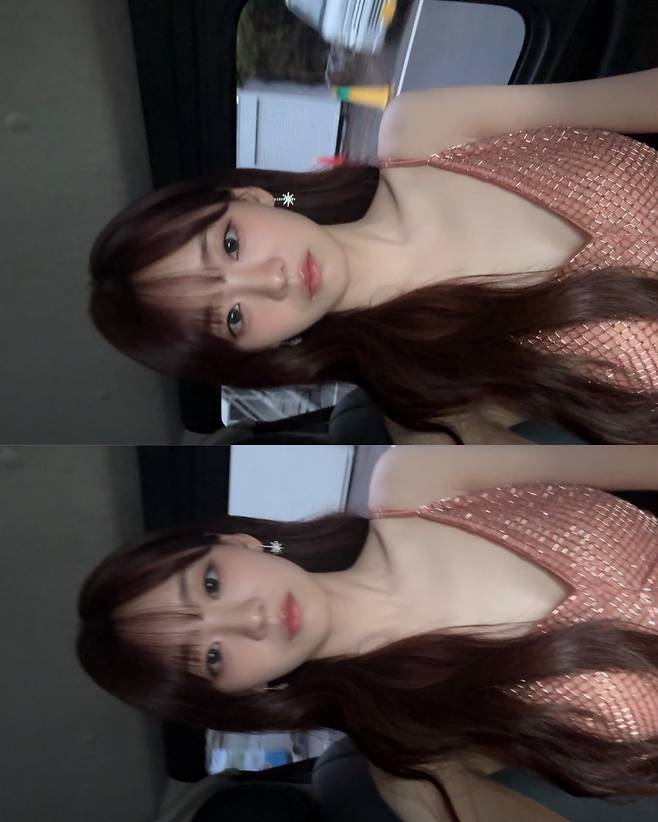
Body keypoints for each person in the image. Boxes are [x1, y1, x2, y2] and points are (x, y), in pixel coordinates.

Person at [77, 446, 658, 821]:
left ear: (236, 542)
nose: (249, 619)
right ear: (238, 693)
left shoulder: (417, 480)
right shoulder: (416, 758)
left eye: (210, 584)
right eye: (211, 655)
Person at [88, 69, 658, 444]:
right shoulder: (426, 405)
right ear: (254, 352)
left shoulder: (425, 131)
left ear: (250, 198)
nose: (272, 280)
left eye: (231, 245)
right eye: (233, 317)